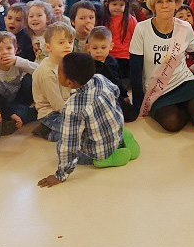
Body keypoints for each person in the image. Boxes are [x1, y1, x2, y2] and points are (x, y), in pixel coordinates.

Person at [37, 53, 138, 187]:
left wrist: (61, 175)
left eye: (59, 71)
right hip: (116, 132)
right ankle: (123, 139)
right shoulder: (100, 78)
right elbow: (116, 92)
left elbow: (69, 145)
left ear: (69, 83)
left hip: (99, 150)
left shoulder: (73, 108)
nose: (57, 73)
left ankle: (107, 159)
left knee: (60, 145)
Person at [128, 0, 194, 129]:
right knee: (172, 123)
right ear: (153, 5)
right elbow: (135, 68)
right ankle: (183, 108)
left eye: (169, 1)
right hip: (158, 90)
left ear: (176, 4)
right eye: (159, 1)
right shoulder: (142, 29)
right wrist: (138, 102)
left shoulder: (185, 27)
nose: (164, 5)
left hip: (183, 82)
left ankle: (191, 103)